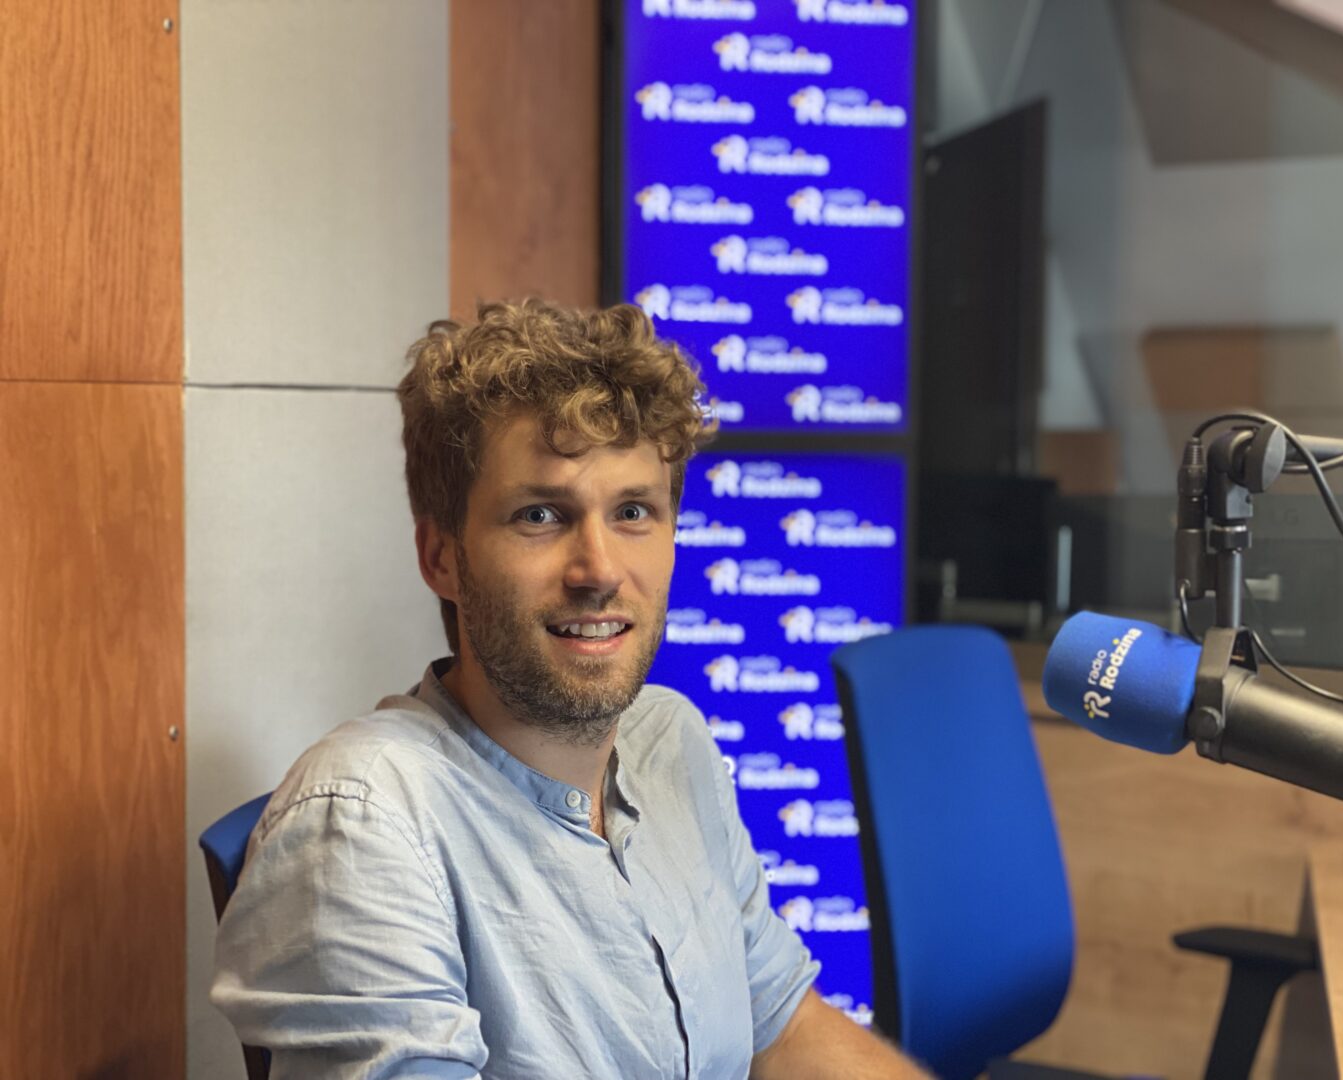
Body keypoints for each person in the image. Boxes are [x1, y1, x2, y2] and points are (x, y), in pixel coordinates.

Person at [211, 298, 932, 1079]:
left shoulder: (669, 737)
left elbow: (782, 1027)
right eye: (540, 515)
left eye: (633, 511)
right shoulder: (363, 825)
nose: (600, 570)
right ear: (441, 557)